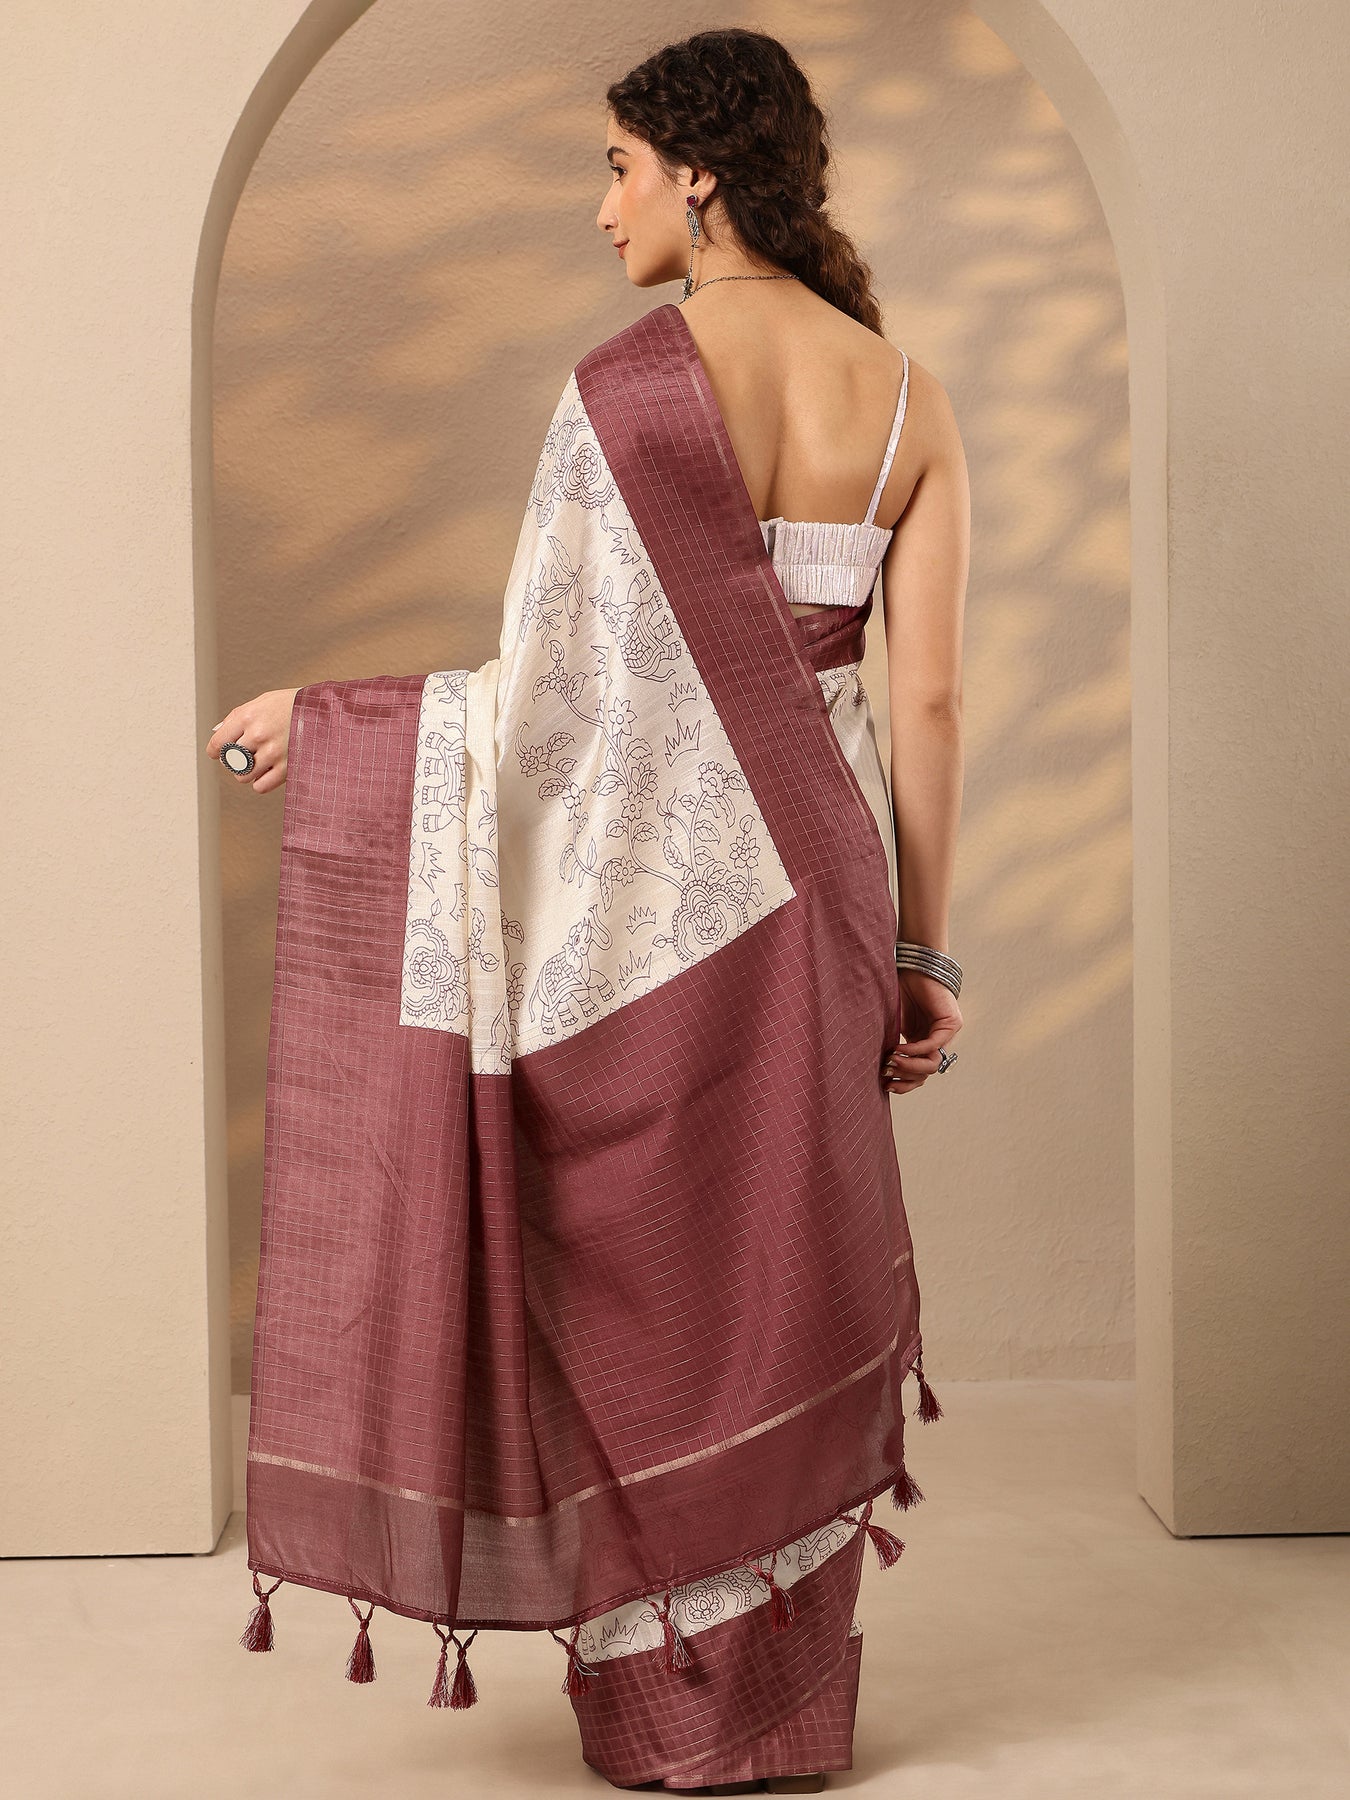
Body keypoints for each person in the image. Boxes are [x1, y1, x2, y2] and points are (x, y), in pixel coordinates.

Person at [209, 27, 967, 1797]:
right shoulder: (905, 394)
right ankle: (779, 1718)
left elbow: (555, 708)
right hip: (823, 886)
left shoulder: (628, 386)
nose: (601, 206)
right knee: (781, 1259)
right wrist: (918, 953)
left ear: (699, 173)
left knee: (643, 1270)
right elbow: (925, 702)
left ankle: (670, 1715)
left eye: (617, 167)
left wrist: (336, 722)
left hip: (649, 911)